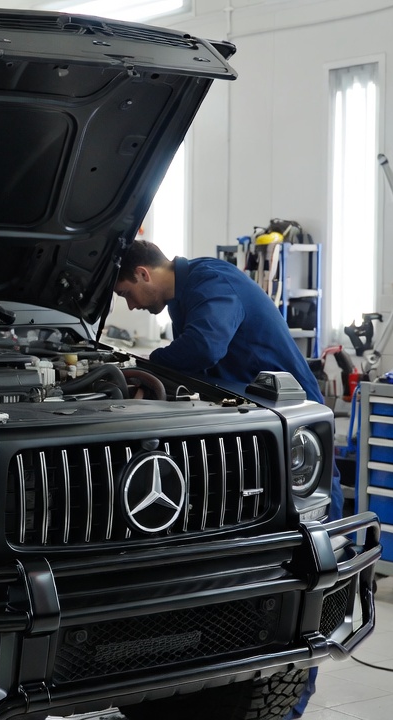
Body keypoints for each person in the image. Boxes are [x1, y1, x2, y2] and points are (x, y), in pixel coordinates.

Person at [112, 239, 343, 719]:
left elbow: (204, 348)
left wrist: (143, 366)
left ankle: (289, 703)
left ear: (143, 273)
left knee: (306, 569)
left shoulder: (211, 283)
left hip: (289, 445)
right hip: (251, 442)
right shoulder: (187, 294)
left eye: (127, 293)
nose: (131, 305)